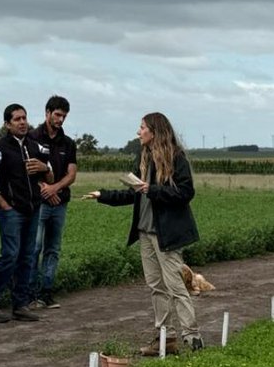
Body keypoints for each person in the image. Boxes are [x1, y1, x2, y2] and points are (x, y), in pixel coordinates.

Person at [84, 113, 203, 353]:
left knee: (175, 287)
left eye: (142, 128)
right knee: (156, 287)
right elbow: (132, 194)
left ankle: (192, 338)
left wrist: (154, 190)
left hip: (167, 235)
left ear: (154, 131)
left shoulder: (176, 158)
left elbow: (186, 192)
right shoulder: (143, 157)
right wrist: (103, 195)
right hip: (146, 234)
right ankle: (166, 340)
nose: (139, 132)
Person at [0, 104, 53, 322]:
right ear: (7, 124)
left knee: (27, 256)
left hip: (33, 208)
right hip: (12, 210)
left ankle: (20, 304)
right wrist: (4, 205)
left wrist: (44, 168)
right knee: (10, 255)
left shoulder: (35, 147)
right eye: (17, 119)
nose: (22, 122)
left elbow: (49, 178)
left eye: (24, 118)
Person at [30, 95, 78, 309]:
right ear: (47, 113)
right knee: (35, 247)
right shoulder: (32, 138)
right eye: (57, 115)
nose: (60, 120)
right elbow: (28, 169)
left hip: (59, 202)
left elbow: (71, 174)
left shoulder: (68, 143)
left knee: (53, 249)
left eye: (64, 116)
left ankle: (46, 292)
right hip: (38, 203)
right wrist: (45, 190)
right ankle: (29, 294)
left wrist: (54, 188)